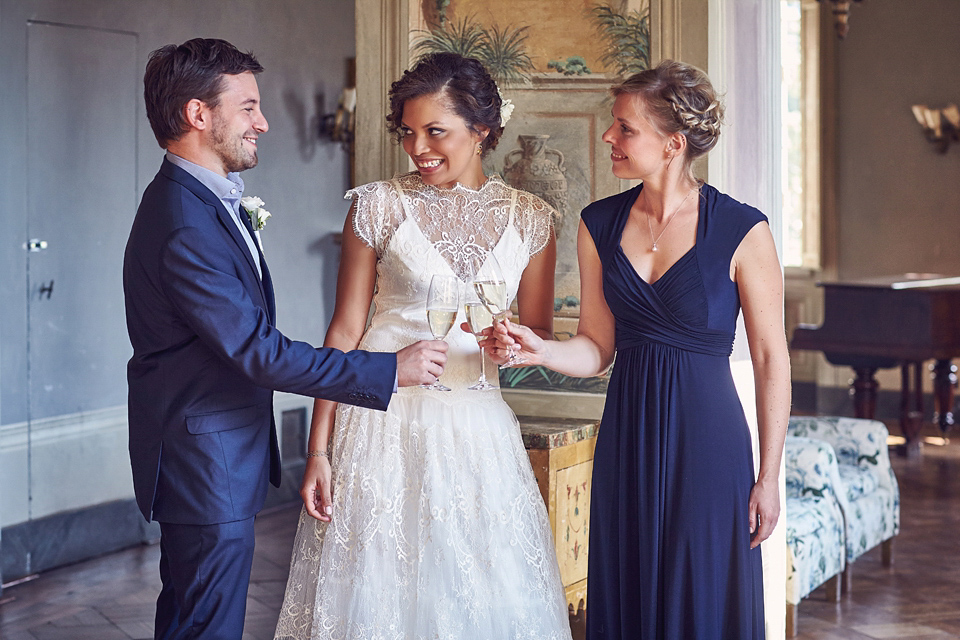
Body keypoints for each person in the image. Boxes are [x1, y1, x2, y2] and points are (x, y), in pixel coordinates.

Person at [124, 38, 447, 640]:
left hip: (212, 456)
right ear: (200, 115)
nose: (263, 122)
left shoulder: (200, 202)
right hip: (205, 464)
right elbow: (257, 351)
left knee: (196, 618)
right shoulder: (183, 221)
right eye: (247, 107)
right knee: (205, 626)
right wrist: (385, 371)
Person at [273, 52, 572, 639]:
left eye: (436, 131)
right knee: (379, 598)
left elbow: (535, 334)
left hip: (477, 432)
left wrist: (514, 344)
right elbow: (343, 332)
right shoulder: (377, 205)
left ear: (481, 130)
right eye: (408, 132)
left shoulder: (533, 219)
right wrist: (318, 450)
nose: (418, 148)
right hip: (380, 428)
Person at [493, 60, 790, 639]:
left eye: (624, 127)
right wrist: (541, 350)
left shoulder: (743, 230)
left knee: (702, 587)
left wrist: (769, 474)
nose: (608, 136)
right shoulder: (597, 223)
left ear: (673, 144)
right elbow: (596, 348)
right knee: (630, 587)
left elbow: (770, 357)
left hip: (709, 443)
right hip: (628, 433)